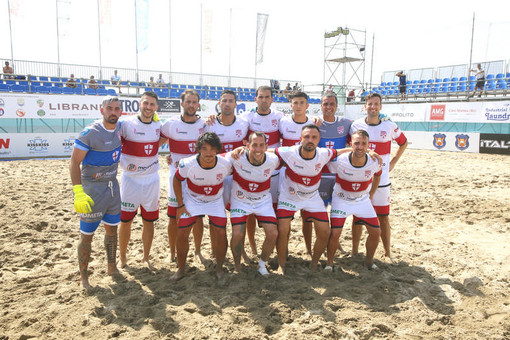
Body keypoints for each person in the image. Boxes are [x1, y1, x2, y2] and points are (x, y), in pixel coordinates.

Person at [69, 96, 123, 289]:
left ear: (121, 112)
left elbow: (143, 120)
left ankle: (112, 267)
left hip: (112, 187)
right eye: (109, 108)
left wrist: (156, 117)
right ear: (102, 110)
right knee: (87, 234)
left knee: (112, 229)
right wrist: (78, 192)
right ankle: (84, 277)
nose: (113, 112)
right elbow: (74, 162)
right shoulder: (90, 133)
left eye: (117, 108)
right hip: (91, 189)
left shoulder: (120, 127)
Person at [274, 125, 343, 274]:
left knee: (325, 232)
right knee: (282, 229)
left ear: (319, 140)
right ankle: (281, 265)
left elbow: (340, 151)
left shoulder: (323, 153)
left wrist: (365, 150)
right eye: (306, 137)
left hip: (312, 197)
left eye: (314, 137)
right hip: (289, 197)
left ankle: (314, 263)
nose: (310, 140)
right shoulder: (289, 151)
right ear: (300, 139)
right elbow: (266, 151)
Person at [350, 93, 407, 263]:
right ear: (365, 106)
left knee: (383, 216)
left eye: (376, 104)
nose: (373, 107)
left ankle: (387, 252)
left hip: (382, 181)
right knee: (357, 217)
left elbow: (403, 142)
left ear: (380, 106)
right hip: (361, 179)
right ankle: (354, 251)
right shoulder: (356, 126)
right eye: (370, 104)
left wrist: (394, 161)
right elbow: (349, 147)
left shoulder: (389, 125)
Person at [172, 132, 232, 280]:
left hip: (215, 200)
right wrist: (180, 204)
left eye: (212, 149)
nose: (208, 153)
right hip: (193, 200)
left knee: (221, 232)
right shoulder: (188, 164)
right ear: (198, 149)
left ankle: (219, 268)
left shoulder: (226, 164)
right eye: (204, 149)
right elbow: (176, 179)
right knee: (182, 232)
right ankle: (180, 269)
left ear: (217, 150)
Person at [160, 89, 207, 264]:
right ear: (182, 104)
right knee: (174, 217)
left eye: (194, 102)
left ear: (198, 104)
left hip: (197, 177)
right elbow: (155, 145)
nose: (191, 105)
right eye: (188, 102)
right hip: (176, 177)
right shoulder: (170, 124)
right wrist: (169, 157)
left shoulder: (205, 124)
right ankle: (171, 252)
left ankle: (197, 250)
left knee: (198, 217)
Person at [326, 129, 382, 270]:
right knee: (335, 233)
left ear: (368, 145)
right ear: (351, 144)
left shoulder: (374, 161)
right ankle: (329, 263)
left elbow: (378, 175)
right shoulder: (339, 161)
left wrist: (372, 193)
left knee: (376, 232)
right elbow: (324, 160)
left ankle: (369, 261)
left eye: (364, 144)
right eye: (357, 143)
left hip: (362, 200)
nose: (360, 147)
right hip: (341, 199)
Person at [118, 92, 162, 269]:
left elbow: (167, 139)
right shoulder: (126, 124)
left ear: (156, 107)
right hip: (131, 180)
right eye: (146, 103)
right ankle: (122, 258)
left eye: (152, 104)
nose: (148, 107)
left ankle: (146, 257)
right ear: (139, 104)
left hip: (152, 180)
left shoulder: (159, 125)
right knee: (126, 220)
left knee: (149, 221)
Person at [227, 132, 280, 275]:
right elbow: (212, 159)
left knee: (273, 233)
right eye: (254, 145)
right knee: (237, 234)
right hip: (240, 200)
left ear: (267, 147)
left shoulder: (273, 160)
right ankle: (237, 266)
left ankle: (262, 264)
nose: (258, 149)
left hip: (262, 201)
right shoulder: (236, 157)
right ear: (247, 146)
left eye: (261, 145)